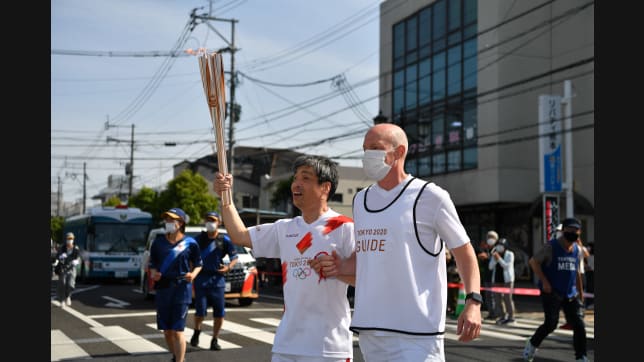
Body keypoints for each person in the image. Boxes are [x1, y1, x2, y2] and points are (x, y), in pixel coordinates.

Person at [309, 123, 482, 362]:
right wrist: (340, 266)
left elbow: (464, 253)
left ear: (399, 152)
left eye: (375, 148)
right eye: (365, 148)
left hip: (417, 334)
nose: (367, 155)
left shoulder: (430, 196)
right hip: (371, 331)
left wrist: (473, 302)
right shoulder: (361, 200)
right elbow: (368, 258)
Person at [214, 154, 356, 362]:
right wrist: (225, 198)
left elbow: (366, 279)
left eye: (305, 178)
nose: (296, 184)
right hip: (287, 345)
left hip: (328, 347)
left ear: (325, 187)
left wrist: (339, 270)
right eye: (295, 178)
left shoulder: (344, 228)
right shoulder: (285, 229)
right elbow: (239, 235)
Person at [523, 217, 588, 362]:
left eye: (576, 231)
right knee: (551, 324)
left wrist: (580, 293)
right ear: (563, 230)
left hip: (570, 294)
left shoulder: (577, 250)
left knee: (579, 324)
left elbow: (576, 272)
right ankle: (532, 344)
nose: (573, 233)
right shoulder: (551, 247)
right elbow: (533, 262)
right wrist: (544, 281)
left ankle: (581, 356)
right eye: (570, 230)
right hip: (552, 292)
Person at [148, 208, 203, 362]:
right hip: (163, 289)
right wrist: (154, 273)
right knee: (167, 331)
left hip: (181, 288)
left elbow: (199, 264)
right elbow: (152, 265)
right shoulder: (158, 243)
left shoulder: (190, 243)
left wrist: (193, 274)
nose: (168, 223)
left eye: (172, 220)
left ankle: (179, 359)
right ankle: (176, 356)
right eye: (167, 220)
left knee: (178, 330)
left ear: (180, 223)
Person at [190, 211, 238, 351]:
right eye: (208, 220)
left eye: (213, 220)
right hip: (201, 279)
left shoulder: (224, 240)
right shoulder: (199, 239)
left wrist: (228, 267)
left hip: (217, 280)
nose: (210, 222)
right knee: (200, 312)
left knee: (219, 312)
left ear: (219, 222)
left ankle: (215, 339)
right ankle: (197, 331)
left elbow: (234, 257)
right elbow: (190, 256)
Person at [488, 237, 516, 325]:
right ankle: (502, 316)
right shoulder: (495, 254)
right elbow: (490, 267)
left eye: (501, 246)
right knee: (497, 299)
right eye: (498, 246)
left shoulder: (510, 254)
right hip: (497, 279)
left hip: (507, 280)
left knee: (507, 298)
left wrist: (499, 258)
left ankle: (511, 317)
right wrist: (495, 258)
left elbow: (506, 266)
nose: (500, 247)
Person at [53, 232, 81, 308]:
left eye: (71, 238)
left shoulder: (76, 248)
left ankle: (68, 296)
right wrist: (58, 260)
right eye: (68, 238)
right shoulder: (62, 247)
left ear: (73, 239)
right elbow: (57, 257)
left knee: (71, 284)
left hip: (72, 268)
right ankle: (62, 300)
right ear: (66, 239)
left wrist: (77, 261)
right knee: (63, 284)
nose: (70, 240)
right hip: (63, 268)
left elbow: (78, 257)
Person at [479, 231, 499, 320]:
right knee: (488, 295)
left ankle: (496, 313)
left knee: (494, 296)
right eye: (489, 237)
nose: (490, 239)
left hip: (495, 276)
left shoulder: (497, 248)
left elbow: (496, 259)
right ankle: (491, 313)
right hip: (486, 275)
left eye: (492, 237)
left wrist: (487, 257)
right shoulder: (486, 249)